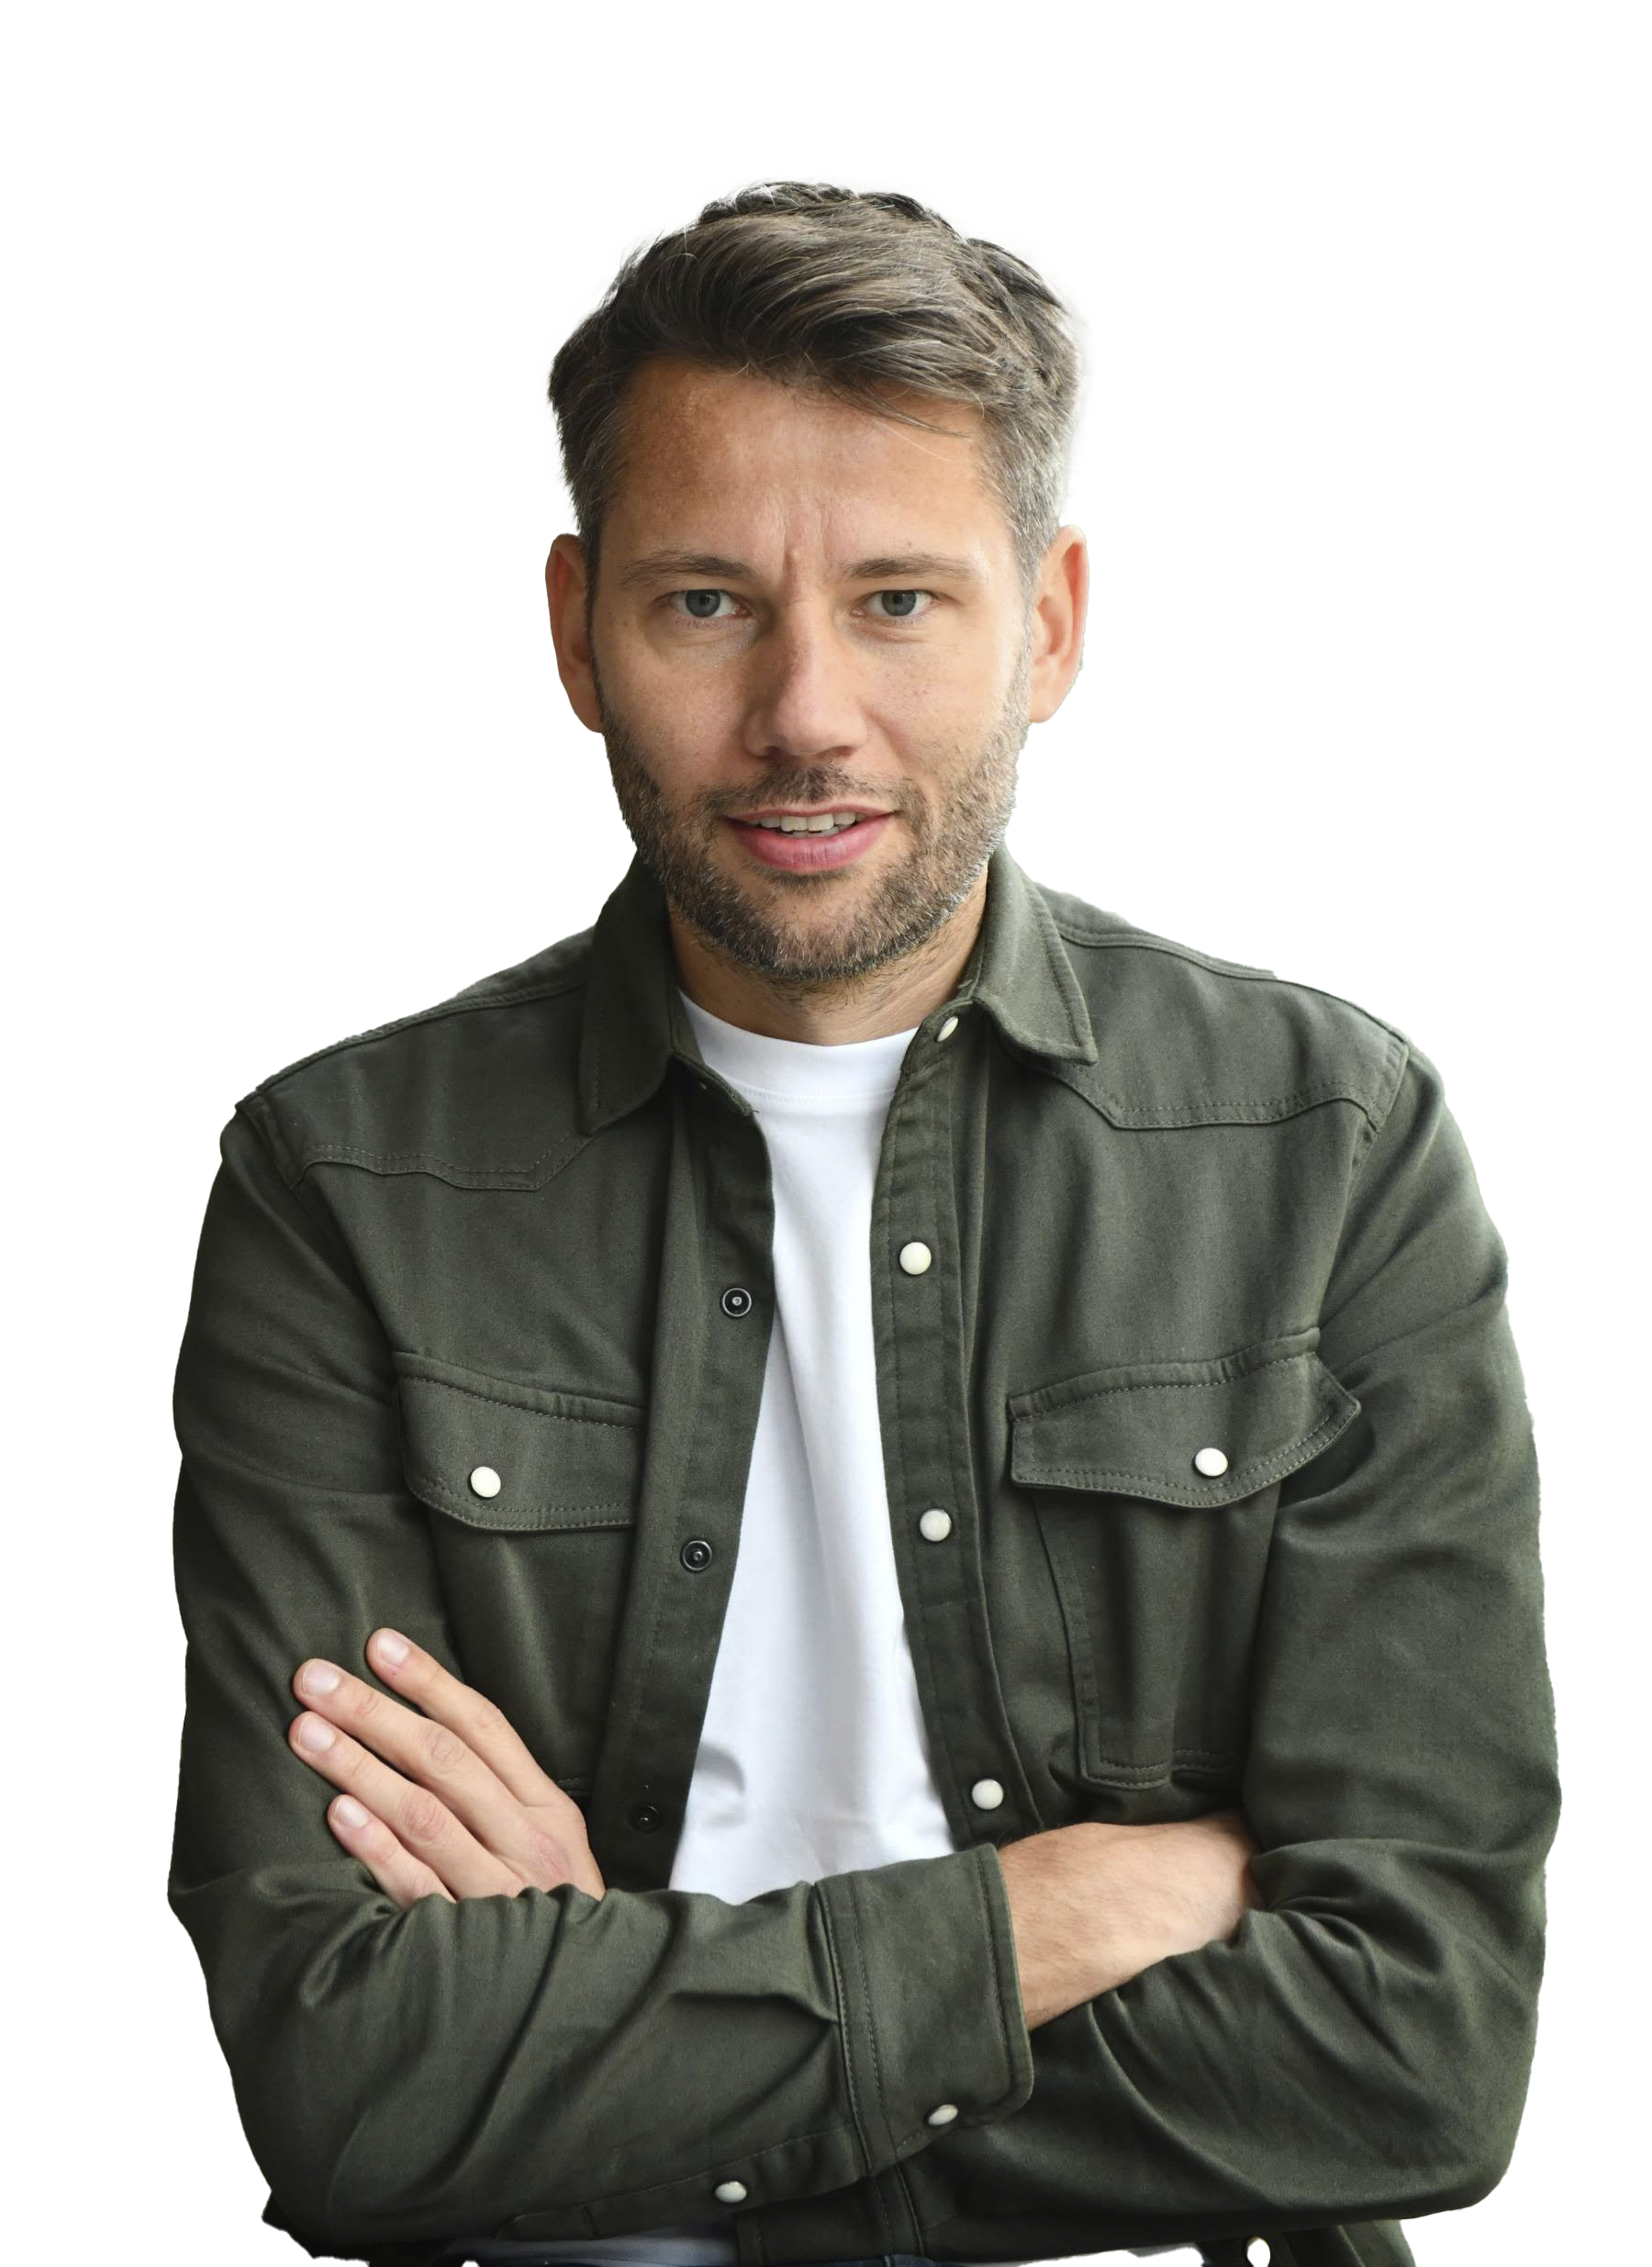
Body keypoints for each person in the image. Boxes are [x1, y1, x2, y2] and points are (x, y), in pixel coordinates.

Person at [167, 181, 1560, 2267]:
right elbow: (355, 2070)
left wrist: (627, 2023)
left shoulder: (1323, 1148)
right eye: (706, 603)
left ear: (1051, 625)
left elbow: (1412, 2052)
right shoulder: (347, 1187)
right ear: (576, 630)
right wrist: (1049, 1917)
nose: (807, 710)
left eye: (901, 601)